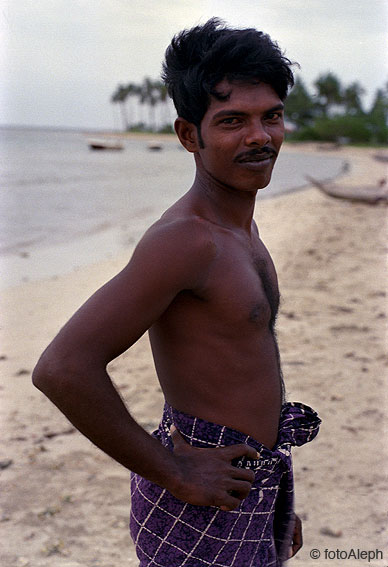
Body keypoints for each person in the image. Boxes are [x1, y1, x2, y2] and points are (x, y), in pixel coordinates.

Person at [33, 18, 320, 567]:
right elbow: (62, 368)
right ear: (190, 135)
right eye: (233, 121)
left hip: (245, 487)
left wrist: (274, 501)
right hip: (200, 507)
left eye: (272, 117)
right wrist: (175, 471)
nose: (259, 136)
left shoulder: (241, 229)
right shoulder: (186, 241)